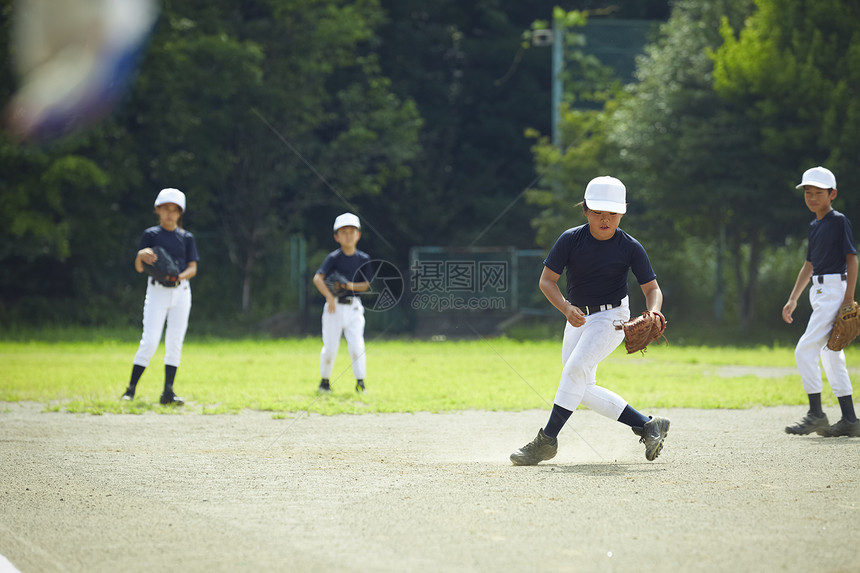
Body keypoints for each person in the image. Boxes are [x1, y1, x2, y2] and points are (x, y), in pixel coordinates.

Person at [510, 176, 669, 465]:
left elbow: (652, 289)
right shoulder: (571, 239)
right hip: (578, 316)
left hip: (612, 317)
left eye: (612, 213)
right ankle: (647, 425)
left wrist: (654, 310)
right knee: (581, 387)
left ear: (622, 212)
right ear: (585, 210)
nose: (605, 219)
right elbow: (547, 281)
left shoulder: (630, 246)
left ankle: (546, 441)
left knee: (574, 370)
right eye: (597, 212)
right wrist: (566, 308)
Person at [782, 166, 860, 437]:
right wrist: (793, 299)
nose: (812, 197)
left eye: (818, 192)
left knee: (804, 349)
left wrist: (848, 299)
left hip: (834, 291)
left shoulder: (838, 221)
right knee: (831, 354)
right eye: (808, 192)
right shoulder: (815, 225)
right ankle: (850, 419)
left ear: (832, 194)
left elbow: (852, 258)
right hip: (819, 292)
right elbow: (809, 265)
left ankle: (816, 413)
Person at [122, 188, 199, 406]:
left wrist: (178, 277)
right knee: (150, 341)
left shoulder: (186, 238)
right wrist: (139, 255)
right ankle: (131, 389)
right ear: (158, 210)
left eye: (174, 210)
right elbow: (139, 268)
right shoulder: (151, 235)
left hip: (181, 293)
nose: (169, 214)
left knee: (175, 342)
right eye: (165, 208)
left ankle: (168, 392)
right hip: (156, 292)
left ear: (179, 213)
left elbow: (193, 268)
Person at [312, 213, 371, 394]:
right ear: (336, 236)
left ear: (358, 235)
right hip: (334, 307)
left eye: (352, 231)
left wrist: (347, 285)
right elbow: (318, 278)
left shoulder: (363, 259)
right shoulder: (334, 258)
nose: (348, 235)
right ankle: (324, 382)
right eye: (343, 232)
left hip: (354, 307)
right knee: (330, 347)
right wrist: (329, 296)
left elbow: (366, 285)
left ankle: (360, 383)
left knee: (357, 346)